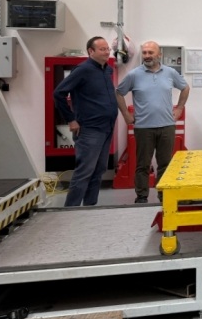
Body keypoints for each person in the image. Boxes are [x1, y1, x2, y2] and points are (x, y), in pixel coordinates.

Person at [116, 41, 190, 204]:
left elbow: (185, 88)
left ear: (159, 55)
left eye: (151, 52)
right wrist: (126, 115)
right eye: (145, 53)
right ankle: (141, 197)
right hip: (144, 128)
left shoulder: (170, 72)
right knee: (142, 165)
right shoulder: (134, 75)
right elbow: (119, 93)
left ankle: (163, 196)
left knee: (165, 164)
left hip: (167, 126)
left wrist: (179, 108)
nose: (147, 56)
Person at [52, 36, 118, 207]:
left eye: (108, 49)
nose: (107, 52)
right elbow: (58, 93)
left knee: (99, 170)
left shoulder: (107, 70)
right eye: (102, 49)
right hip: (90, 129)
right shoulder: (82, 70)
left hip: (106, 128)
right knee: (85, 171)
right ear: (91, 51)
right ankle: (70, 210)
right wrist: (71, 120)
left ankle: (90, 207)